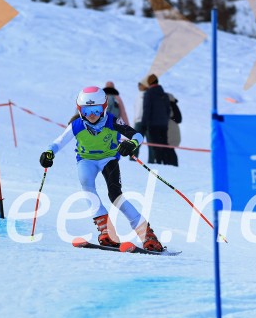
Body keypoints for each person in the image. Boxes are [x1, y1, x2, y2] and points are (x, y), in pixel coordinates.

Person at [39, 86, 164, 251]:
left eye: (96, 110)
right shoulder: (76, 125)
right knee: (87, 186)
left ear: (104, 108)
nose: (91, 115)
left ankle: (147, 236)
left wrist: (131, 144)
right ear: (80, 110)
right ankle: (107, 232)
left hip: (108, 159)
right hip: (86, 160)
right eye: (86, 110)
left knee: (116, 196)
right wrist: (48, 153)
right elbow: (58, 142)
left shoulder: (112, 121)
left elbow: (137, 135)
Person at [141, 74, 178, 166]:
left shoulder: (148, 94)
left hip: (153, 124)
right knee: (164, 143)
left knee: (156, 145)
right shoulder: (164, 94)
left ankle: (159, 163)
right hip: (164, 124)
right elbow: (168, 110)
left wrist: (143, 124)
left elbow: (147, 109)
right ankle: (166, 162)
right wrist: (165, 120)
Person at [132, 79, 148, 161]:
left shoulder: (149, 95)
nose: (139, 86)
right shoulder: (138, 97)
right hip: (138, 122)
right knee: (135, 142)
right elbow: (136, 110)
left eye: (141, 85)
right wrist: (134, 122)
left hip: (147, 122)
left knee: (150, 144)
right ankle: (132, 160)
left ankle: (152, 162)